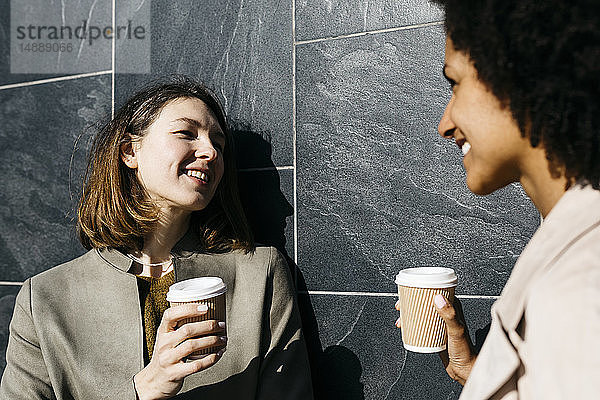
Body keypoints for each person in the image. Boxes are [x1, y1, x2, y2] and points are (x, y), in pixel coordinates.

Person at [0, 77, 314, 399]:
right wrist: (144, 389)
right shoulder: (44, 300)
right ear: (129, 152)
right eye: (185, 133)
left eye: (217, 143)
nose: (210, 152)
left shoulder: (259, 275)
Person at [396, 0, 600, 398]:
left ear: (520, 73)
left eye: (455, 84)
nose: (444, 125)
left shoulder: (582, 286)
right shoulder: (568, 240)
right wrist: (475, 373)